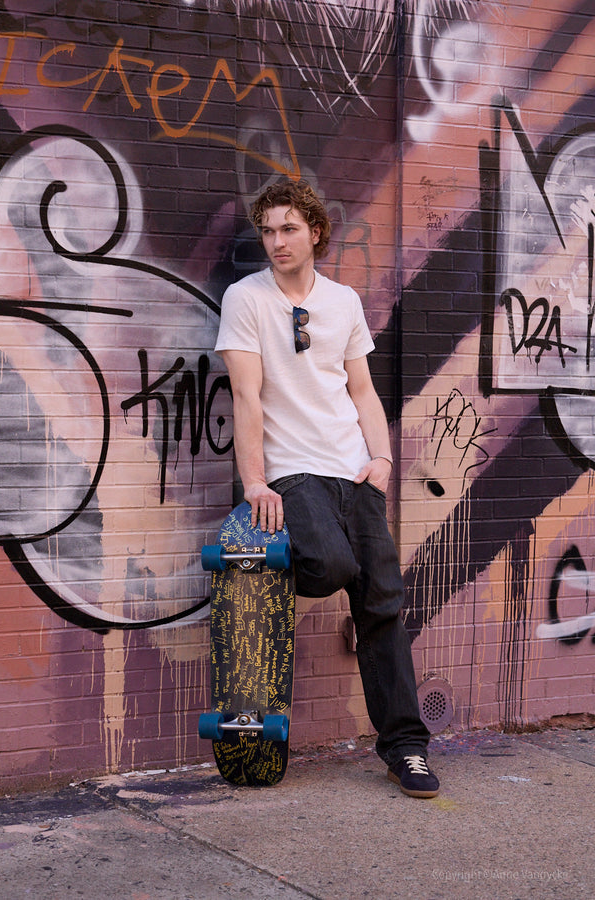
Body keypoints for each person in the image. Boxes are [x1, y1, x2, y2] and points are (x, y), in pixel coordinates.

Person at [214, 178, 439, 799]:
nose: (277, 241)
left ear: (315, 232)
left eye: (289, 229)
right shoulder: (246, 299)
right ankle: (272, 570)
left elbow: (361, 390)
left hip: (354, 470)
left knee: (381, 605)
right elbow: (246, 397)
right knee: (331, 563)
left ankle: (406, 750)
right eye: (268, 230)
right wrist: (255, 481)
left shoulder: (342, 302)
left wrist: (383, 460)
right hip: (294, 473)